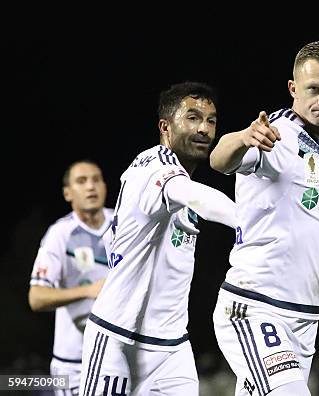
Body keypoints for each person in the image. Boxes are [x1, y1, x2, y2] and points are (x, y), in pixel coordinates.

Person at [209, 41, 319, 396]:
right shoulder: (277, 134)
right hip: (256, 307)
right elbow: (220, 160)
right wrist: (243, 138)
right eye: (313, 89)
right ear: (293, 89)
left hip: (304, 318)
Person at [78, 82, 237, 396]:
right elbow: (192, 195)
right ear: (165, 126)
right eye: (192, 118)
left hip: (171, 348)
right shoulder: (153, 167)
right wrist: (248, 223)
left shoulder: (180, 174)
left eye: (211, 121)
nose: (204, 129)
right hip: (118, 340)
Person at [29, 160, 111, 395]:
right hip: (75, 364)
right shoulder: (60, 234)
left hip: (120, 355)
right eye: (81, 181)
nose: (90, 187)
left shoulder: (123, 225)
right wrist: (87, 291)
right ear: (68, 193)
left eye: (96, 179)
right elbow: (36, 297)